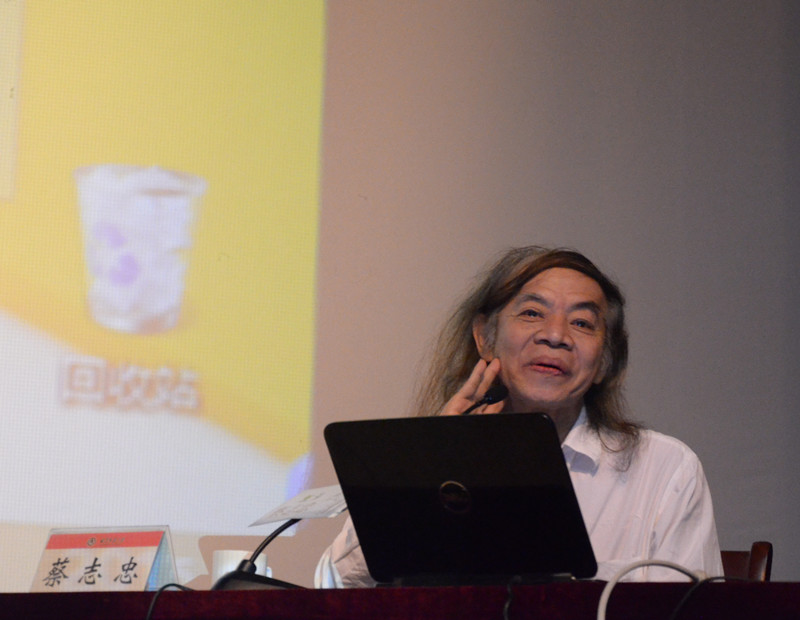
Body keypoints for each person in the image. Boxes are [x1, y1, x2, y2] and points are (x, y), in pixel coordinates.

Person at [315, 246, 723, 586]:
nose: (555, 335)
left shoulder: (665, 469)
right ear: (485, 337)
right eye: (531, 313)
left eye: (582, 322)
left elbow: (694, 612)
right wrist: (431, 461)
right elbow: (331, 585)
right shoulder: (423, 464)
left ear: (605, 362)